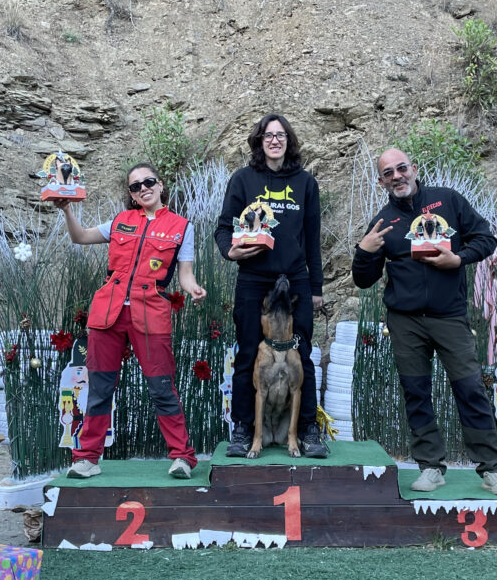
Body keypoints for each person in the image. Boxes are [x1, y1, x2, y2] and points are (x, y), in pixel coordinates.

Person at [351, 148, 497, 496]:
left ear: (414, 169)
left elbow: (485, 239)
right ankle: (430, 466)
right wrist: (364, 251)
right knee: (416, 393)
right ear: (381, 182)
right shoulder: (383, 222)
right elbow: (364, 280)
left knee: (470, 389)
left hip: (449, 316)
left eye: (401, 168)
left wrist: (459, 258)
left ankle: (492, 469)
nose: (396, 176)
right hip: (405, 322)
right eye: (388, 173)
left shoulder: (448, 201)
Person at [55, 162, 206, 480]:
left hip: (151, 315)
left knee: (162, 387)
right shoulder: (120, 221)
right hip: (107, 314)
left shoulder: (182, 227)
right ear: (131, 194)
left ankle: (182, 457)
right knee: (99, 388)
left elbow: (186, 273)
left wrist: (192, 288)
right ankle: (87, 459)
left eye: (148, 182)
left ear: (160, 184)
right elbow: (80, 237)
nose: (143, 189)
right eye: (135, 186)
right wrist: (67, 209)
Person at [214, 114, 326, 458]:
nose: (274, 140)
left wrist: (316, 288)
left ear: (289, 141)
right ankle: (243, 429)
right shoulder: (243, 179)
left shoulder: (306, 183)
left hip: (295, 281)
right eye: (268, 135)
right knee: (248, 353)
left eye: (281, 135)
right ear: (259, 141)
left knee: (301, 353)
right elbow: (223, 227)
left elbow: (312, 239)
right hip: (253, 279)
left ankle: (307, 429)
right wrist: (230, 251)